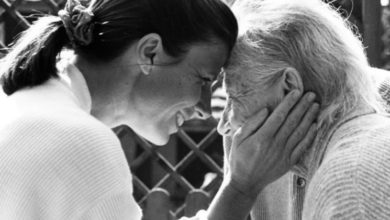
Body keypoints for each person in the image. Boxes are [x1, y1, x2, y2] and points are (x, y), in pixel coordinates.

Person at [0, 0, 318, 219]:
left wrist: (239, 187)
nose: (206, 110)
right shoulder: (80, 140)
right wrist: (242, 187)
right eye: (204, 79)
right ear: (150, 51)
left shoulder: (29, 103)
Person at [218, 0, 390, 219]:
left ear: (290, 87)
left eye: (234, 97)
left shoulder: (350, 180)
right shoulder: (248, 149)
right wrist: (239, 189)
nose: (223, 126)